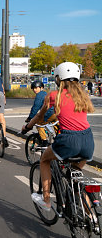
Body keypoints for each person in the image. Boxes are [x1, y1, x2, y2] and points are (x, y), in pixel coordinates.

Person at [22, 62, 94, 212]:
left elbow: (40, 116)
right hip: (88, 141)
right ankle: (91, 217)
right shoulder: (83, 97)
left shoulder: (54, 95)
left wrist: (27, 127)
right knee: (76, 176)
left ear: (58, 79)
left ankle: (46, 200)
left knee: (44, 160)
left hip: (68, 140)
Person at [25, 80, 56, 146]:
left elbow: (35, 108)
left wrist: (30, 118)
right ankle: (58, 139)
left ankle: (44, 141)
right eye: (33, 88)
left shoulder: (39, 95)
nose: (34, 90)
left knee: (39, 124)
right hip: (56, 113)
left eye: (36, 88)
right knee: (56, 125)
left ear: (41, 88)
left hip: (49, 114)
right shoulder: (46, 93)